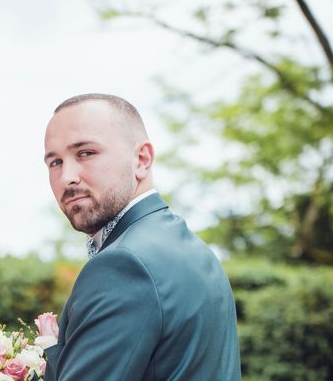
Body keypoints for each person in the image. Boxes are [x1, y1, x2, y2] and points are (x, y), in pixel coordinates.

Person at [42, 94, 241, 381]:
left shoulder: (122, 265)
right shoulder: (193, 249)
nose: (67, 177)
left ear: (142, 159)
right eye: (55, 162)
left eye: (85, 153)